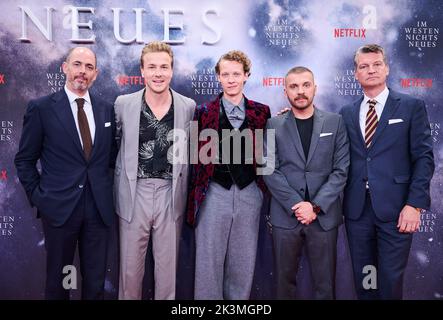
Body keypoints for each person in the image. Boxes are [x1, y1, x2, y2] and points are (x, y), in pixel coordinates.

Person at [14, 47, 116, 299]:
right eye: (77, 64)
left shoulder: (106, 109)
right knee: (58, 284)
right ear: (65, 67)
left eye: (89, 67)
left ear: (95, 74)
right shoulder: (42, 108)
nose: (82, 71)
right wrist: (40, 198)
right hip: (59, 211)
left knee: (94, 285)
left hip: (98, 211)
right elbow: (24, 160)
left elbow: (109, 158)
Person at [339, 44, 434, 299]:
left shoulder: (410, 106)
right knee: (366, 279)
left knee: (390, 281)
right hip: (358, 212)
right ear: (356, 74)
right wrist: (290, 120)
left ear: (386, 68)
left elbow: (424, 158)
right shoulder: (346, 113)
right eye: (364, 66)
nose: (371, 70)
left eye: (376, 64)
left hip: (396, 210)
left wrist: (414, 204)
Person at [186, 50, 271, 300]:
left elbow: (269, 157)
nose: (231, 79)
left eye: (236, 74)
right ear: (218, 78)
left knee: (242, 265)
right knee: (207, 265)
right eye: (226, 74)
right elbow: (194, 159)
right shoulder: (202, 112)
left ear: (246, 75)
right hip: (213, 193)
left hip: (249, 194)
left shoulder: (262, 112)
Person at [114, 41, 195, 300]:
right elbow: (115, 145)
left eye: (164, 67)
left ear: (172, 71)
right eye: (152, 67)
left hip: (170, 193)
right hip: (133, 191)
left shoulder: (188, 106)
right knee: (129, 273)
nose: (158, 73)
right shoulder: (123, 104)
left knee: (167, 272)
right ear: (142, 70)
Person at [263, 66, 349, 299]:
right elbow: (269, 170)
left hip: (323, 218)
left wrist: (315, 206)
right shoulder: (273, 125)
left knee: (325, 287)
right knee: (284, 287)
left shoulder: (335, 123)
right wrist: (298, 205)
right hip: (285, 216)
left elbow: (341, 171)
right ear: (285, 92)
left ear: (314, 88)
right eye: (294, 86)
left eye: (305, 85)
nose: (300, 91)